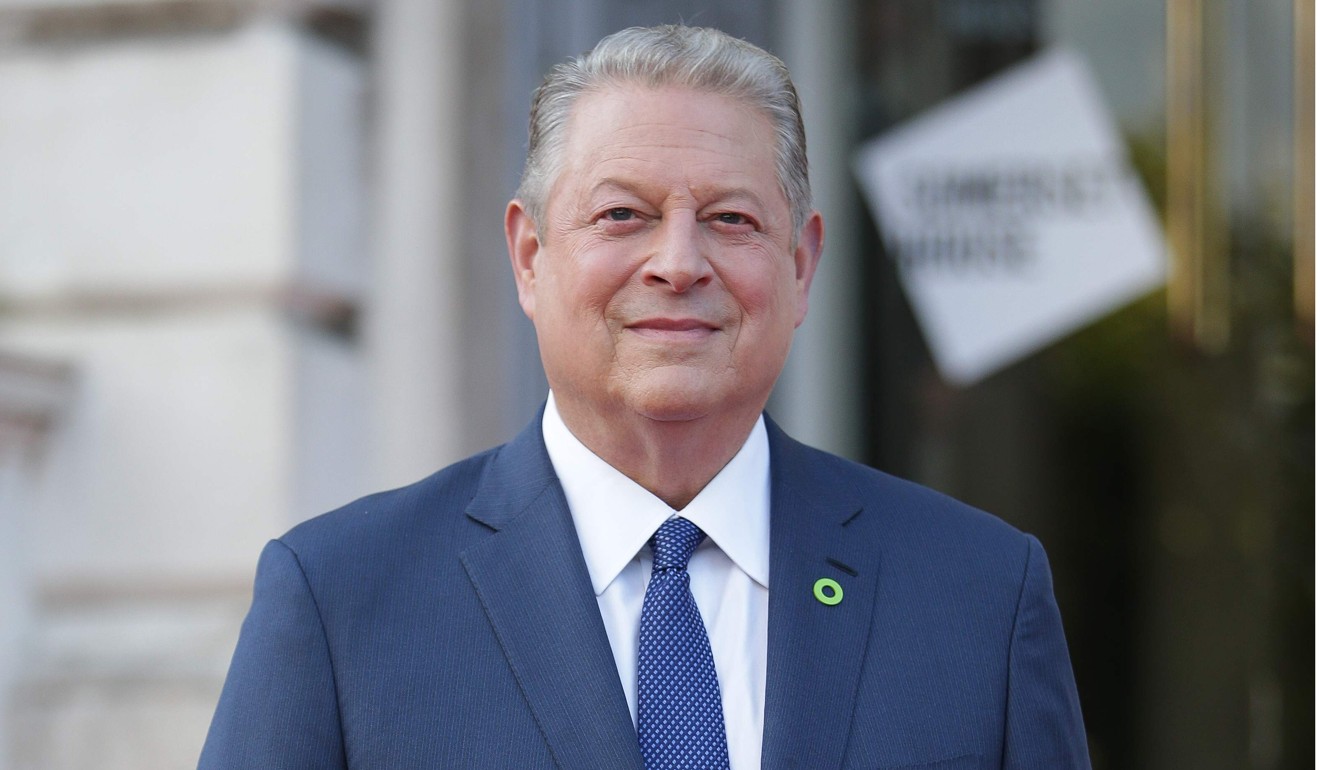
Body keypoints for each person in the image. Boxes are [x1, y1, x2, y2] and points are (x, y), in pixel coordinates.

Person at [199, 25, 1089, 770]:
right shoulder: (342, 601)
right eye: (622, 215)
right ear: (530, 256)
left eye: (731, 219)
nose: (677, 262)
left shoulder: (978, 597)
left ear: (802, 265)